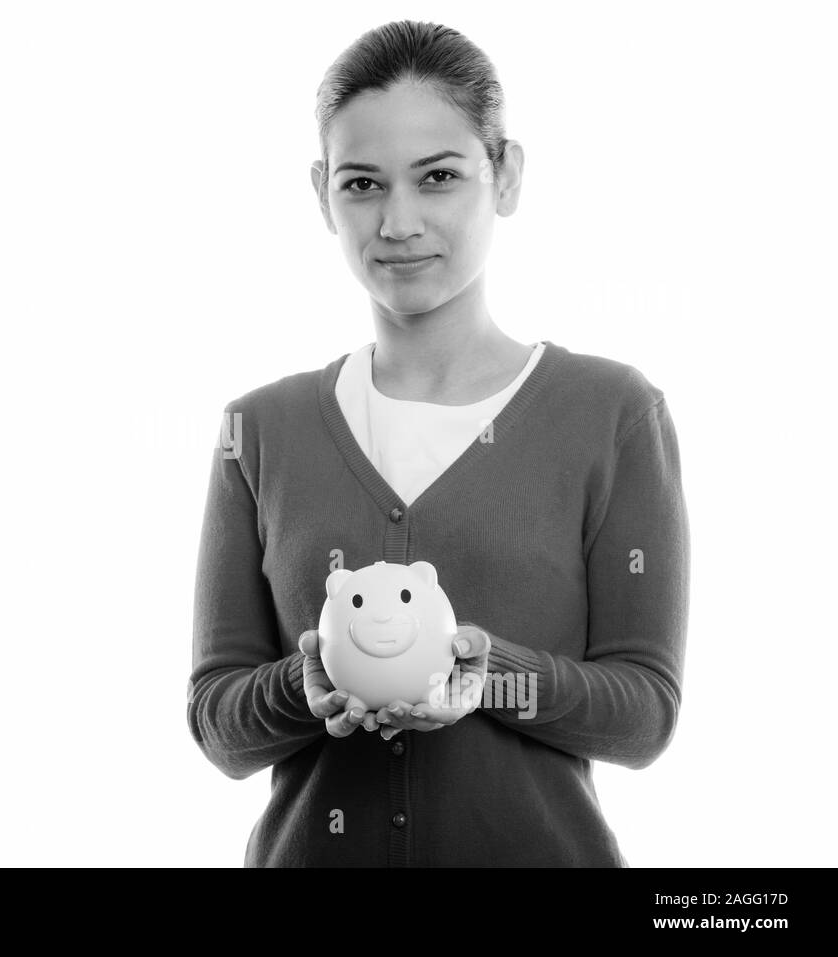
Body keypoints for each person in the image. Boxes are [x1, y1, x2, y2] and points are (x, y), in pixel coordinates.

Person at [186, 20, 691, 867]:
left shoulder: (614, 414)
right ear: (321, 194)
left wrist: (489, 674)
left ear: (508, 175)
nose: (398, 221)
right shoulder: (258, 430)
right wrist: (303, 687)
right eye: (361, 184)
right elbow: (217, 721)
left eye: (440, 177)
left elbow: (645, 715)